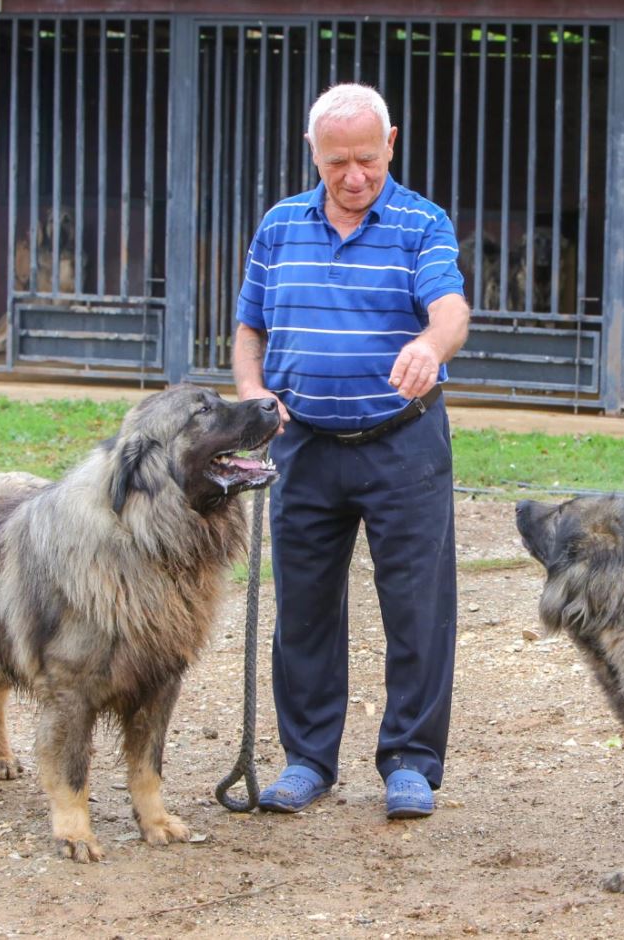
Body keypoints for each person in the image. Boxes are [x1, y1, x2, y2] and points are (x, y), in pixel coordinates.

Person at [232, 83, 470, 820]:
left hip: (404, 445)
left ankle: (410, 762)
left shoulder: (421, 224)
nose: (355, 175)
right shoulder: (278, 228)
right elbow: (250, 329)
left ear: (391, 143)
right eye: (338, 162)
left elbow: (451, 310)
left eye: (368, 158)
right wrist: (253, 396)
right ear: (314, 154)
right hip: (302, 445)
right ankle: (307, 758)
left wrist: (430, 346)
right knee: (302, 609)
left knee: (417, 608)